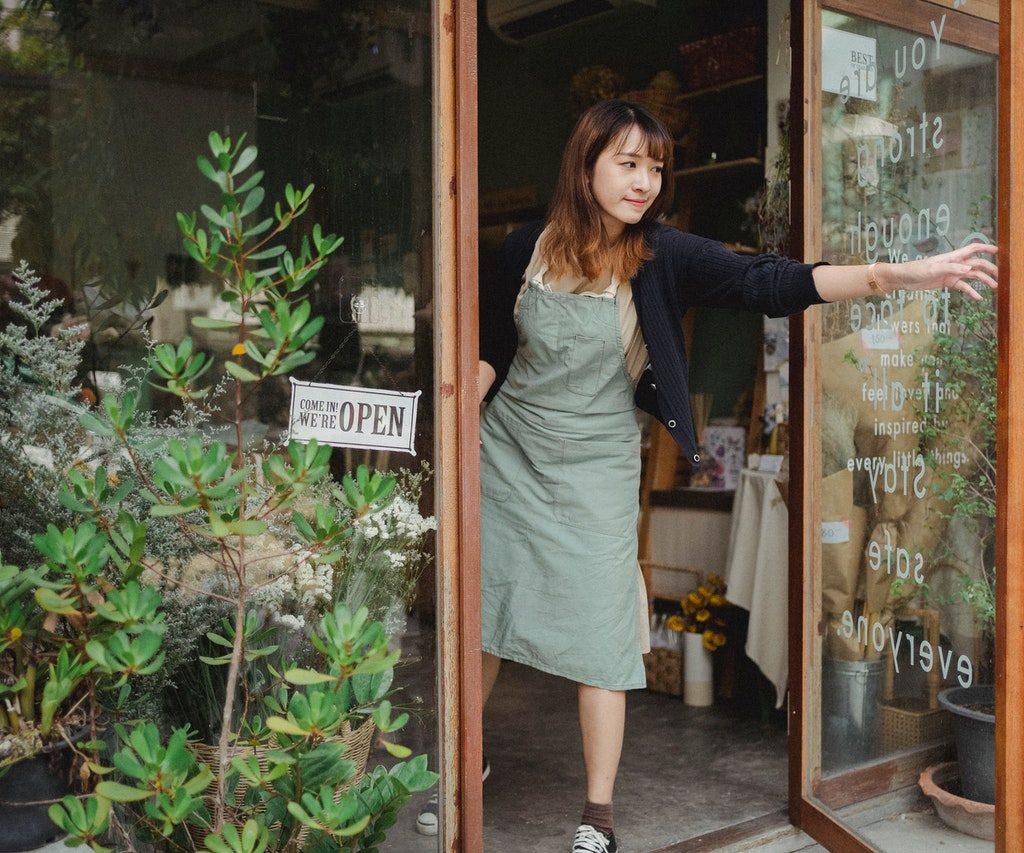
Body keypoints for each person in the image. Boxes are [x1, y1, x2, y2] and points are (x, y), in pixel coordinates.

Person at [416, 99, 998, 852]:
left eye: (655, 167)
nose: (645, 182)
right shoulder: (522, 248)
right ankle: (462, 767)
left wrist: (902, 272)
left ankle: (598, 818)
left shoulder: (662, 255)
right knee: (483, 618)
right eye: (628, 163)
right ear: (584, 163)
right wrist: (453, 417)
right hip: (507, 455)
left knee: (601, 634)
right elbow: (494, 345)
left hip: (595, 464)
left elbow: (771, 282)